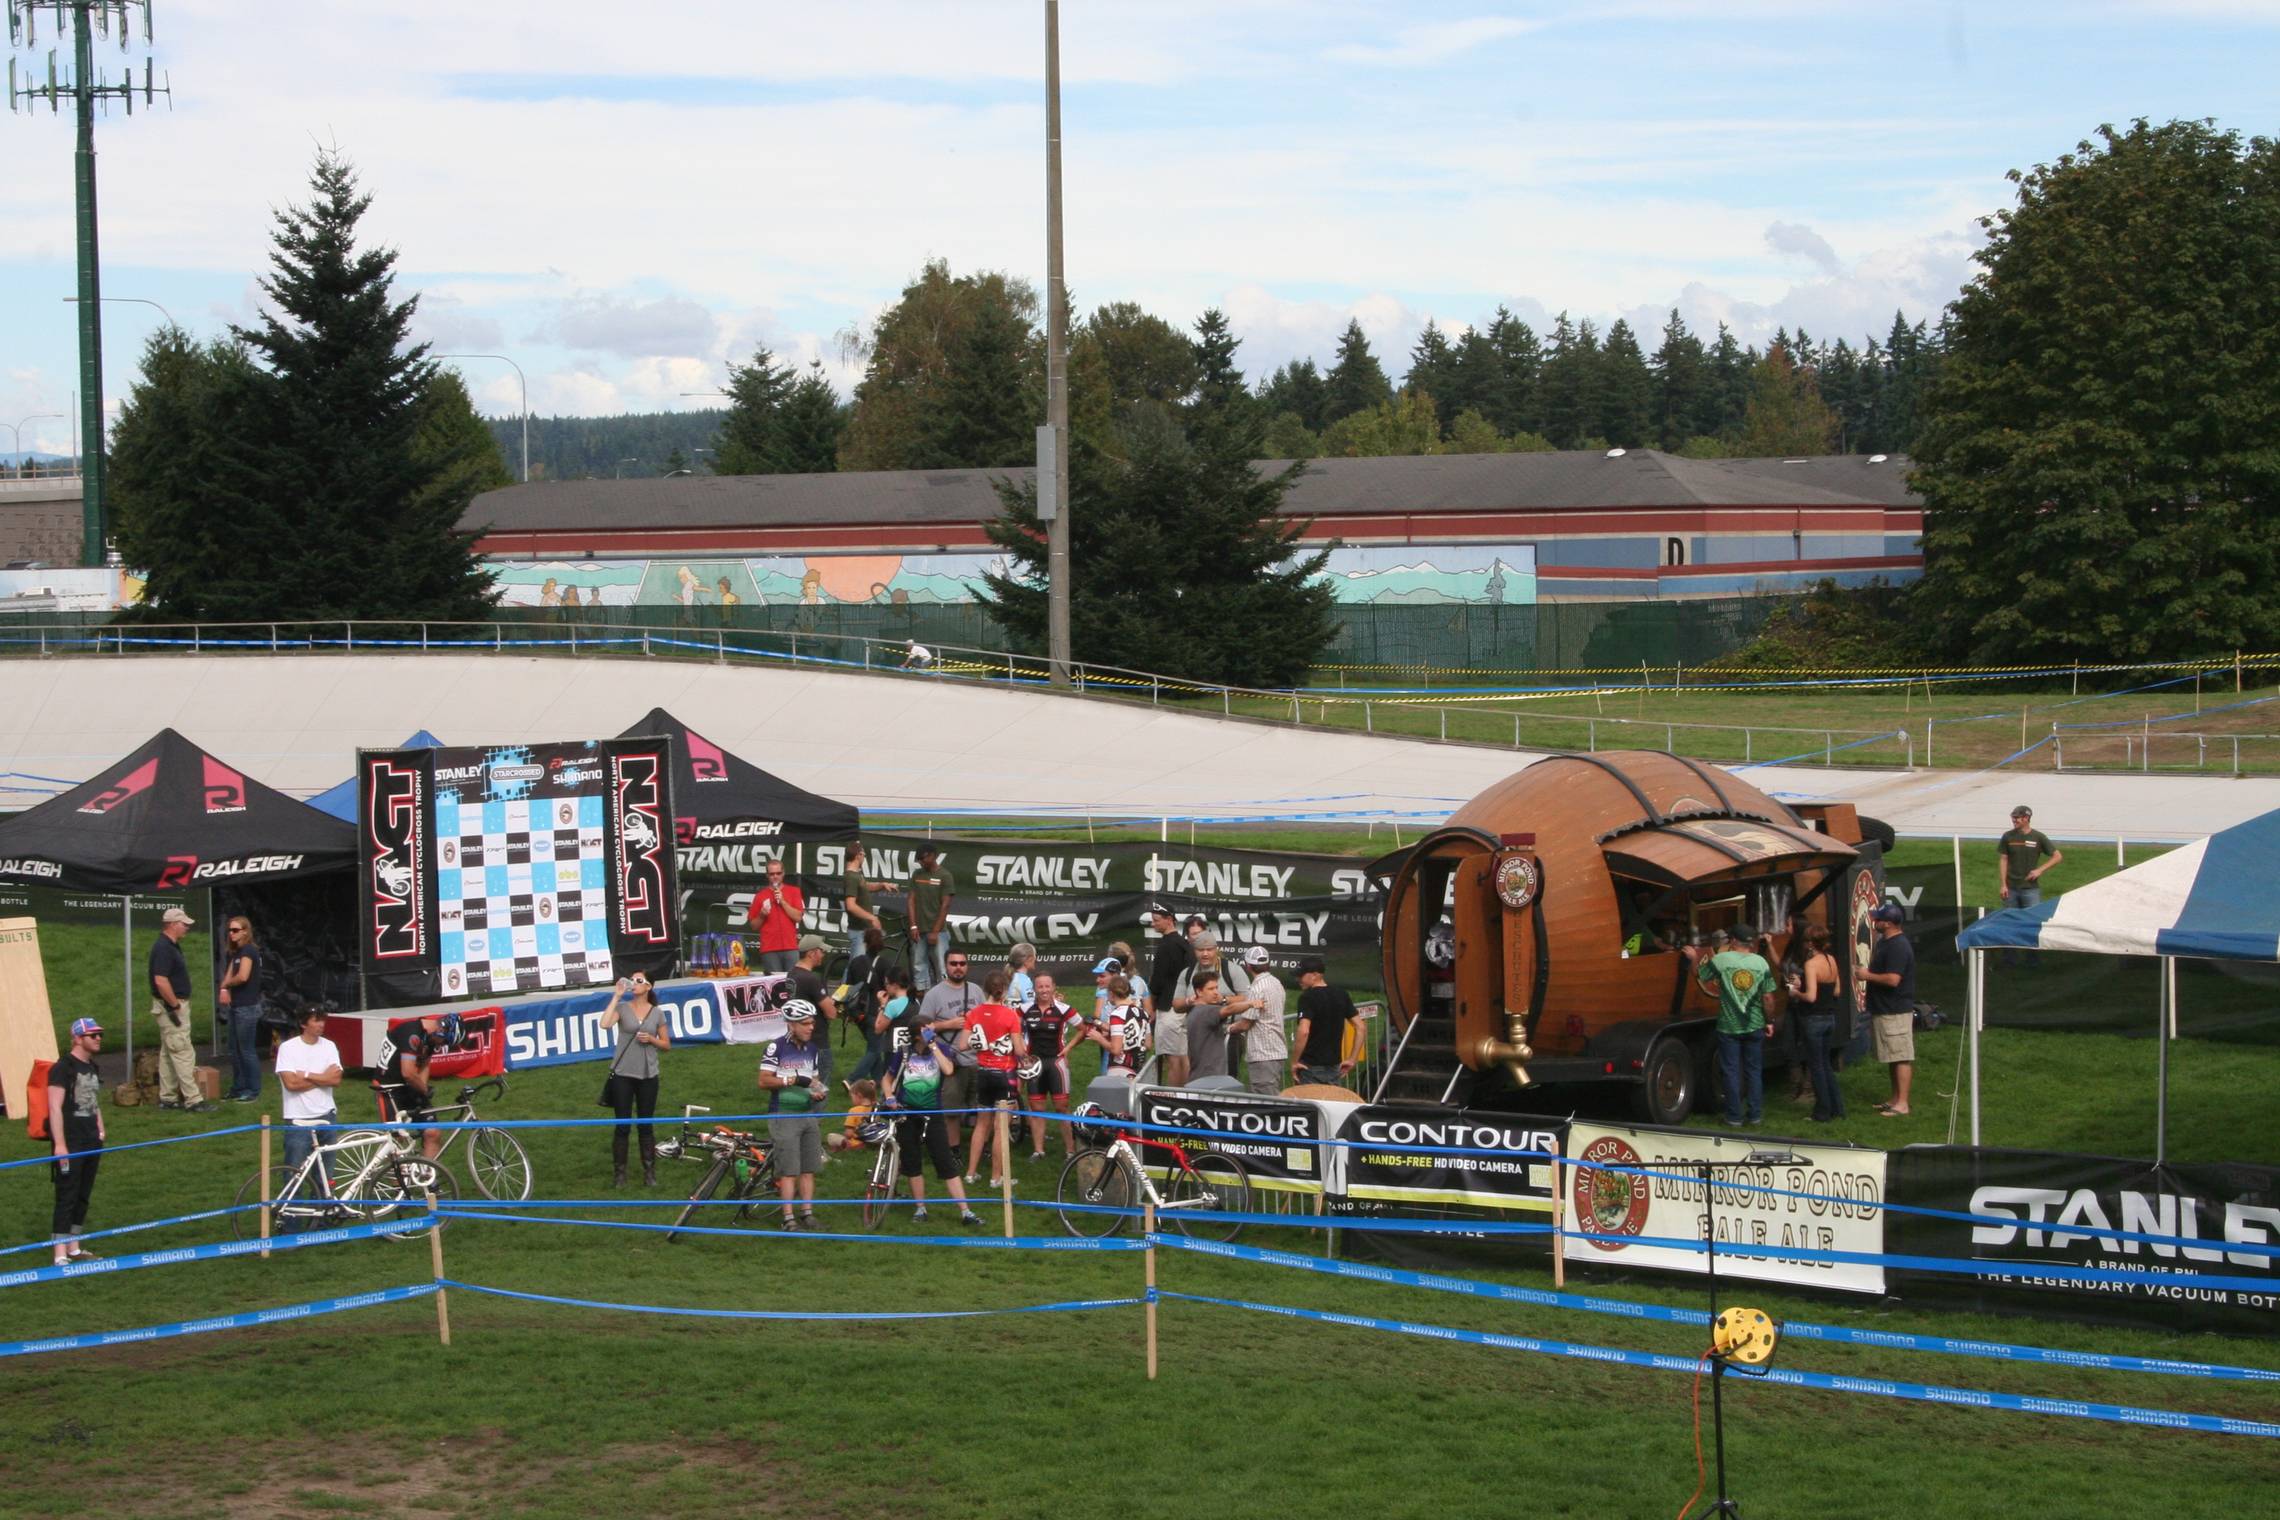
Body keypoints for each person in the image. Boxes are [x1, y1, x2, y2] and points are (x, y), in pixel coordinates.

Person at [880, 1023, 983, 1227]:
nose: (931, 1034)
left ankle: (966, 1211)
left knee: (946, 1161)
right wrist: (890, 1097)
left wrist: (934, 1046)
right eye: (926, 1031)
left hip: (933, 1114)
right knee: (912, 1161)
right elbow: (887, 1078)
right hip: (907, 1113)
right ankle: (920, 1208)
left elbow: (948, 1069)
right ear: (917, 1036)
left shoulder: (941, 1049)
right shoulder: (904, 1052)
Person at [1686, 925, 1773, 1127]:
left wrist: (1692, 957)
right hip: (1755, 1024)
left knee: (1731, 1072)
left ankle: (1734, 1117)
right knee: (1753, 1071)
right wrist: (1769, 1021)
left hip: (1729, 1026)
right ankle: (1755, 1115)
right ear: (1750, 942)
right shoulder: (1761, 963)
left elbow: (1701, 976)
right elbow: (1768, 997)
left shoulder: (1721, 960)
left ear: (1733, 941)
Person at [758, 999, 833, 1229]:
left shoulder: (812, 1049)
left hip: (807, 1114)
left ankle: (807, 1213)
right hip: (784, 1114)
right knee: (789, 1170)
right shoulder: (776, 1047)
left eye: (812, 1023)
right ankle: (787, 1218)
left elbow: (815, 1079)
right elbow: (763, 1081)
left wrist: (816, 1091)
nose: (811, 1027)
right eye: (805, 1023)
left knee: (809, 1168)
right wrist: (791, 1079)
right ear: (792, 1025)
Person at [599, 972, 672, 1187]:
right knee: (622, 1125)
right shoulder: (622, 1008)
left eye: (639, 980)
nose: (634, 983)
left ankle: (649, 1173)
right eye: (633, 980)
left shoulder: (657, 1013)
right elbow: (604, 1024)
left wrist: (651, 1039)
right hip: (623, 1074)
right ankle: (619, 1174)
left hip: (648, 1075)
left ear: (648, 986)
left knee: (645, 1125)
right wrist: (616, 996)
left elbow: (666, 1044)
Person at [961, 968, 1028, 1186]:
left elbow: (963, 1044)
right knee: (1001, 1127)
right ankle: (996, 1177)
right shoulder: (1010, 1015)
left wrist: (982, 1043)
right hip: (1004, 1075)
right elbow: (1019, 1051)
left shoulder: (974, 1014)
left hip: (982, 1073)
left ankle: (970, 1173)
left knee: (982, 1125)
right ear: (1005, 990)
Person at [47, 1017, 106, 1266]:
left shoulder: (92, 1066)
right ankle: (59, 1252)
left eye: (99, 1034)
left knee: (83, 1194)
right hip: (70, 1141)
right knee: (67, 1194)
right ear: (78, 1038)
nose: (98, 1038)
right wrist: (60, 1145)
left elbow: (93, 1101)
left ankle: (74, 1247)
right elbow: (54, 1107)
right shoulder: (62, 1068)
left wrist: (101, 1128)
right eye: (93, 1035)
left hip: (92, 1139)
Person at [915, 948, 984, 1147]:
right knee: (951, 1112)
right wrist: (947, 1025)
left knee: (982, 1108)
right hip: (952, 1062)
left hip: (978, 1059)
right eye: (954, 964)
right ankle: (953, 1151)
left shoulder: (976, 991)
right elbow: (921, 1028)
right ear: (946, 966)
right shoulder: (934, 994)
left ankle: (982, 1148)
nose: (958, 968)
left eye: (962, 964)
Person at [148, 906, 212, 1113]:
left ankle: (167, 1097)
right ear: (173, 924)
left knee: (168, 1052)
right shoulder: (165, 948)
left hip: (168, 1006)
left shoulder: (168, 946)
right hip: (171, 1007)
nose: (187, 928)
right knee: (183, 1051)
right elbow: (160, 980)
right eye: (184, 924)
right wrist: (175, 1004)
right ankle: (193, 1100)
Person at [1171, 933, 1253, 1088]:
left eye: (1209, 949)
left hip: (1229, 1032)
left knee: (1227, 1078)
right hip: (1199, 1033)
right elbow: (1176, 1005)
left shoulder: (1232, 970)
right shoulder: (1187, 973)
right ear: (1194, 951)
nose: (1205, 954)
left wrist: (1223, 1000)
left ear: (1216, 949)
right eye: (1200, 950)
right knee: (1200, 1073)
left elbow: (1247, 997)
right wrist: (1190, 1000)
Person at [375, 1012, 458, 1161]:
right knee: (396, 1139)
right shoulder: (411, 1033)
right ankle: (397, 1183)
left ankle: (427, 1178)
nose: (442, 1045)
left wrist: (422, 1090)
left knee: (432, 1132)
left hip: (410, 1085)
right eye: (444, 1041)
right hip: (389, 1087)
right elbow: (408, 1072)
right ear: (441, 1029)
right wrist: (424, 1089)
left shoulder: (431, 1037)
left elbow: (425, 1063)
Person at [273, 1005, 344, 1178]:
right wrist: (323, 1078)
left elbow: (335, 1080)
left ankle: (322, 1204)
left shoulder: (329, 1046)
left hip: (327, 1117)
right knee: (293, 1172)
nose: (321, 1024)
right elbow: (291, 1084)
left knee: (325, 1174)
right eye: (316, 1020)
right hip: (298, 1119)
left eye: (322, 1020)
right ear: (303, 1024)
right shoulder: (288, 1048)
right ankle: (290, 1205)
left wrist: (306, 1075)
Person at [1862, 903, 1917, 1117]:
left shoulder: (1898, 946)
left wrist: (1867, 976)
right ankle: (1894, 1099)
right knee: (1892, 1056)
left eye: (1878, 919)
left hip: (1895, 1010)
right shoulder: (1886, 942)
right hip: (1884, 1008)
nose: (1874, 922)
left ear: (1888, 923)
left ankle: (1902, 1104)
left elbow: (1894, 979)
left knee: (1901, 1056)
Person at [1021, 974, 1083, 1158]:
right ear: (1034, 989)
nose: (1044, 990)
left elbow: (1083, 1029)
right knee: (1036, 1107)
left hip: (1056, 1063)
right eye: (1040, 986)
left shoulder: (1064, 1009)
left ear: (1054, 987)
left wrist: (1068, 1048)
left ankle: (1071, 1150)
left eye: (1047, 986)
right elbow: (1012, 1029)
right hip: (1034, 1064)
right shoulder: (1024, 1009)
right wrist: (1022, 1051)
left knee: (1061, 1107)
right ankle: (1038, 1150)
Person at [1792, 925, 1847, 1123]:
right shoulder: (1831, 960)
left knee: (1816, 1067)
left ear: (1809, 943)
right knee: (1826, 1065)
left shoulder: (1811, 964)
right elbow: (1837, 991)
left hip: (1813, 1018)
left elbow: (1810, 996)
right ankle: (1837, 1108)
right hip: (1829, 1018)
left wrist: (1796, 991)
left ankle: (1822, 1112)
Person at [1998, 805, 2062, 968]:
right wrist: (2003, 884)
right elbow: (2003, 859)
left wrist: (2040, 870)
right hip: (2011, 888)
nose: (2014, 820)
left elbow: (2057, 856)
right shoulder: (2008, 837)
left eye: (2017, 818)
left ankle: (2033, 959)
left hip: (2030, 889)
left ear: (2026, 818)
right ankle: (2009, 959)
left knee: (2032, 923)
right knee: (2010, 922)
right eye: (2013, 817)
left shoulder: (2038, 837)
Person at [218, 915, 265, 1103]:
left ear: (245, 931)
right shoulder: (236, 952)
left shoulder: (248, 951)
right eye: (230, 930)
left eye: (235, 930)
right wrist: (224, 987)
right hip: (236, 1006)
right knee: (234, 1049)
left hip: (247, 1007)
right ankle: (238, 1087)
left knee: (246, 1050)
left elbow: (243, 976)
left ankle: (252, 1089)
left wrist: (227, 985)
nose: (231, 934)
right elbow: (230, 972)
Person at [1291, 958, 1358, 1088]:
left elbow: (1304, 1031)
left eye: (1301, 975)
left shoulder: (1307, 997)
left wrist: (1294, 1061)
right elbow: (1360, 1027)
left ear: (1315, 975)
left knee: (1311, 1106)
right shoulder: (1341, 994)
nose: (1298, 979)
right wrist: (1352, 1059)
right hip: (1334, 1066)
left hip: (1310, 1067)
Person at [1230, 946, 1288, 1095]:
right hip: (1277, 1050)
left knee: (1266, 1101)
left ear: (1248, 966)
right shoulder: (1276, 982)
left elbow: (1245, 1024)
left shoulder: (1257, 989)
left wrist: (1227, 1029)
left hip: (1263, 1053)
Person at [907, 845, 956, 993]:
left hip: (939, 932)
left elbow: (945, 905)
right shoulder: (917, 874)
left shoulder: (945, 876)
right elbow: (911, 900)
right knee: (918, 965)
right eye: (919, 860)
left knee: (942, 967)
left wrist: (935, 931)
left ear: (933, 856)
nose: (921, 862)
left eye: (923, 859)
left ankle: (945, 996)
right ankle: (922, 999)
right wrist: (913, 926)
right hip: (919, 930)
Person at [747, 857, 807, 974]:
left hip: (790, 946)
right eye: (772, 874)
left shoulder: (794, 891)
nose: (775, 876)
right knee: (774, 987)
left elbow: (798, 917)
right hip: (769, 948)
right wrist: (762, 915)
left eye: (778, 873)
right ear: (767, 875)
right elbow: (753, 925)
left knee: (792, 983)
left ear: (783, 873)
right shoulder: (760, 896)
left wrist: (783, 901)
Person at [1089, 974, 1149, 1078]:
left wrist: (1099, 1038)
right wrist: (1097, 1023)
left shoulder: (1117, 1014)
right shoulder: (1143, 1013)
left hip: (1120, 1069)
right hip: (1139, 1069)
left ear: (1111, 994)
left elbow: (1116, 1050)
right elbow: (1148, 1044)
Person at [841, 840, 891, 958]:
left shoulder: (856, 875)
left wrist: (881, 885)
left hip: (863, 930)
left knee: (859, 965)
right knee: (857, 966)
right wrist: (872, 917)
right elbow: (851, 905)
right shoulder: (851, 877)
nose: (864, 857)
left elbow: (865, 886)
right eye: (863, 855)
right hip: (859, 931)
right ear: (858, 855)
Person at [1184, 970, 1234, 1082]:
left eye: (1216, 988)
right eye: (1211, 989)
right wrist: (1251, 1004)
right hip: (1209, 1079)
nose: (1216, 992)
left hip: (1201, 1077)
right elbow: (1229, 1009)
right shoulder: (1207, 1011)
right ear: (1199, 992)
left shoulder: (1197, 1010)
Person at [786, 933, 840, 1032]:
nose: (823, 955)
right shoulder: (812, 979)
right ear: (811, 953)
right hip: (816, 1037)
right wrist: (830, 1004)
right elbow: (831, 1014)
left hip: (797, 1033)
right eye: (822, 951)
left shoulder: (791, 973)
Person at [1005, 943, 1037, 1009]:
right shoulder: (1023, 980)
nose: (1035, 959)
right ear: (1029, 959)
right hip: (1018, 1018)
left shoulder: (1009, 976)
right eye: (1035, 956)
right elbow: (1031, 1003)